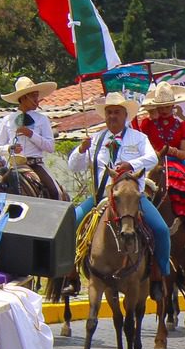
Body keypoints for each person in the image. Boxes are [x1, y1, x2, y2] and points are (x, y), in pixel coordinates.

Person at [69, 93, 170, 278]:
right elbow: (74, 167)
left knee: (161, 230)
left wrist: (131, 165)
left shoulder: (138, 138)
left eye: (116, 112)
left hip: (131, 198)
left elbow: (152, 158)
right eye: (109, 112)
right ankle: (70, 273)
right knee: (71, 222)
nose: (112, 116)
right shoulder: (96, 140)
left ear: (125, 116)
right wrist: (81, 150)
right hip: (101, 196)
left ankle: (160, 274)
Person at [0, 75, 62, 198]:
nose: (37, 99)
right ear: (23, 98)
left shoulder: (42, 119)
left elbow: (50, 147)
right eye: (33, 96)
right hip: (13, 165)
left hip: (35, 165)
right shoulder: (8, 120)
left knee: (55, 192)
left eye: (37, 96)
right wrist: (10, 148)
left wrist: (31, 134)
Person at [137, 80, 185, 173]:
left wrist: (173, 151)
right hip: (152, 164)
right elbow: (141, 149)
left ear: (173, 106)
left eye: (167, 107)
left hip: (176, 164)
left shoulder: (182, 125)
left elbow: (184, 154)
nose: (164, 110)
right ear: (156, 107)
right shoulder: (147, 124)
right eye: (161, 107)